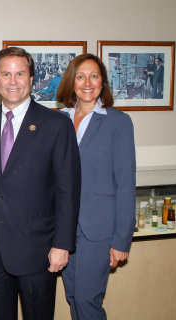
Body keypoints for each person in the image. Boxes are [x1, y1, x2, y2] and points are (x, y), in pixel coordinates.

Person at [0, 47, 81, 320]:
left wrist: (62, 245)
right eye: (6, 74)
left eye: (20, 73)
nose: (13, 81)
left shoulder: (56, 124)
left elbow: (68, 189)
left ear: (31, 79)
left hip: (39, 251)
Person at [56, 53, 136, 320]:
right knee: (73, 298)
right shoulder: (58, 120)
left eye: (94, 76)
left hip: (98, 231)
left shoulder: (118, 122)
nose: (87, 82)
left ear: (103, 82)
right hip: (64, 228)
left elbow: (126, 183)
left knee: (86, 300)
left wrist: (121, 239)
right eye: (80, 76)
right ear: (71, 82)